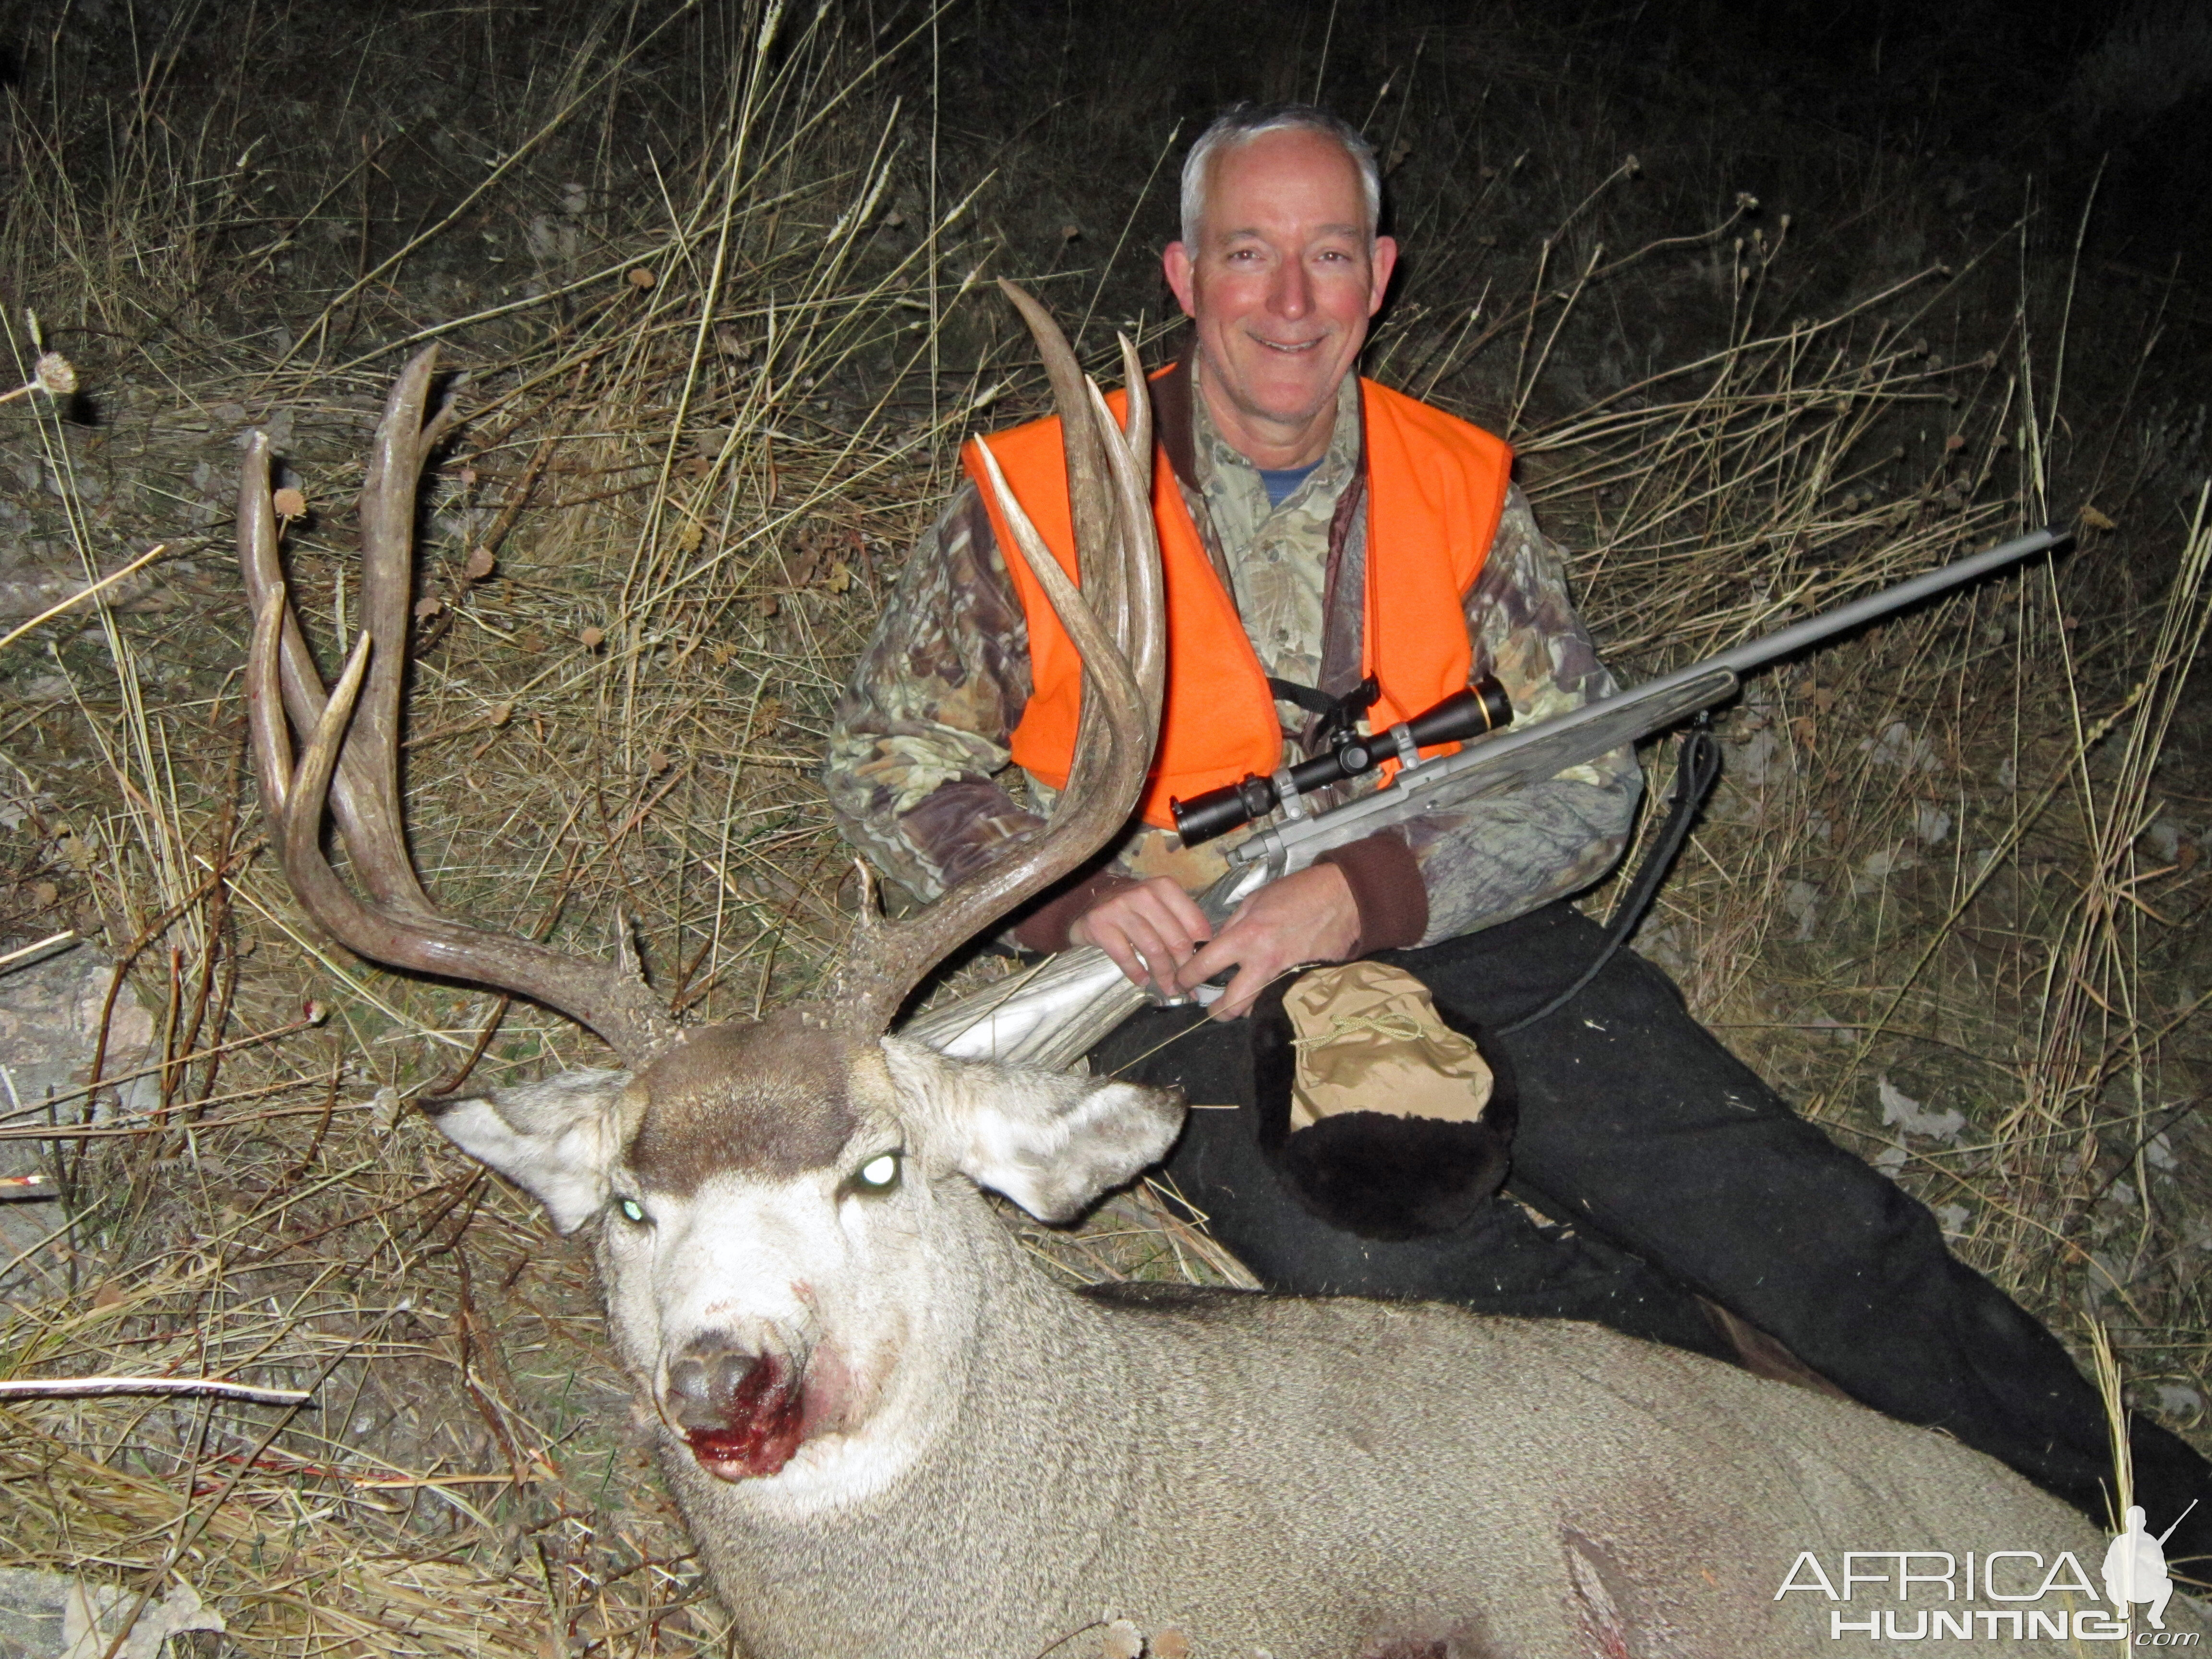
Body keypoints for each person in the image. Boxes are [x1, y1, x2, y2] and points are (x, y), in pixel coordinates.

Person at [823, 102, 2210, 1572]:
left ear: (1381, 276)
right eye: (1247, 254)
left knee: (1790, 1211)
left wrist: (1364, 895)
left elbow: (1587, 780)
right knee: (1373, 1255)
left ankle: (2160, 1518)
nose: (1289, 304)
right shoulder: (1047, 494)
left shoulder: (1459, 488)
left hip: (1450, 915)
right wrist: (1084, 895)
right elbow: (883, 752)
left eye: (1330, 257)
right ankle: (1775, 1465)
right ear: (1182, 277)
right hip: (1182, 968)